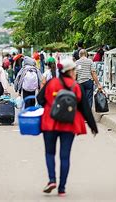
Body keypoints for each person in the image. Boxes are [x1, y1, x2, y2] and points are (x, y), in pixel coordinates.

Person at [37, 59, 98, 197]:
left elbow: (40, 99)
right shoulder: (76, 86)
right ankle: (62, 188)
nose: (75, 73)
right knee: (65, 156)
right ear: (69, 71)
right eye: (74, 70)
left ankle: (52, 180)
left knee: (50, 153)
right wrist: (93, 126)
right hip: (69, 124)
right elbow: (85, 108)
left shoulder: (51, 83)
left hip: (50, 123)